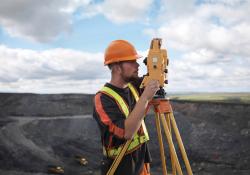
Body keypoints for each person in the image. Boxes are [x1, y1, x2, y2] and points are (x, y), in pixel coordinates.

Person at [93, 39, 160, 175]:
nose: (137, 65)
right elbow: (127, 132)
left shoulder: (134, 85)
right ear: (117, 67)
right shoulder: (103, 98)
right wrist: (146, 97)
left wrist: (155, 52)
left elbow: (154, 74)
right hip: (120, 167)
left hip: (140, 162)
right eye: (132, 61)